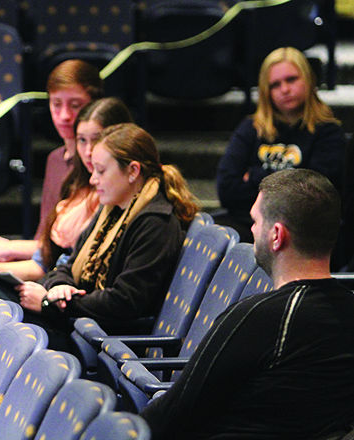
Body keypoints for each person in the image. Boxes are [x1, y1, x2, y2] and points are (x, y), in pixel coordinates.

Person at [142, 169, 354, 439]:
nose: (252, 229)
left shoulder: (258, 318)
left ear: (277, 235)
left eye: (255, 221)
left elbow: (168, 417)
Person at [19, 123, 199, 349]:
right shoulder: (112, 210)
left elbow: (124, 302)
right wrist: (60, 288)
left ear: (133, 171)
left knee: (14, 329)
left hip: (107, 339)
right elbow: (67, 265)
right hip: (82, 325)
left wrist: (51, 303)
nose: (93, 179)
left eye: (101, 171)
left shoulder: (156, 223)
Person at [0, 97, 133, 283]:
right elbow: (44, 263)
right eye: (81, 140)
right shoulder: (76, 182)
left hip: (73, 298)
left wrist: (45, 300)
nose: (88, 151)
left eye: (96, 140)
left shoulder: (117, 197)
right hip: (56, 287)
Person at [0, 59, 104, 262]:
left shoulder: (99, 165)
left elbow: (71, 248)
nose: (64, 116)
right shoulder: (55, 160)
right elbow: (44, 241)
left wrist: (10, 248)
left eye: (75, 105)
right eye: (56, 104)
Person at [216, 47, 345, 242]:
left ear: (308, 80)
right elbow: (226, 190)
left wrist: (255, 176)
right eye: (275, 84)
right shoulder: (251, 127)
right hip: (250, 224)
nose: (285, 89)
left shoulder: (329, 132)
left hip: (304, 231)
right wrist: (296, 174)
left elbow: (315, 197)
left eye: (291, 80)